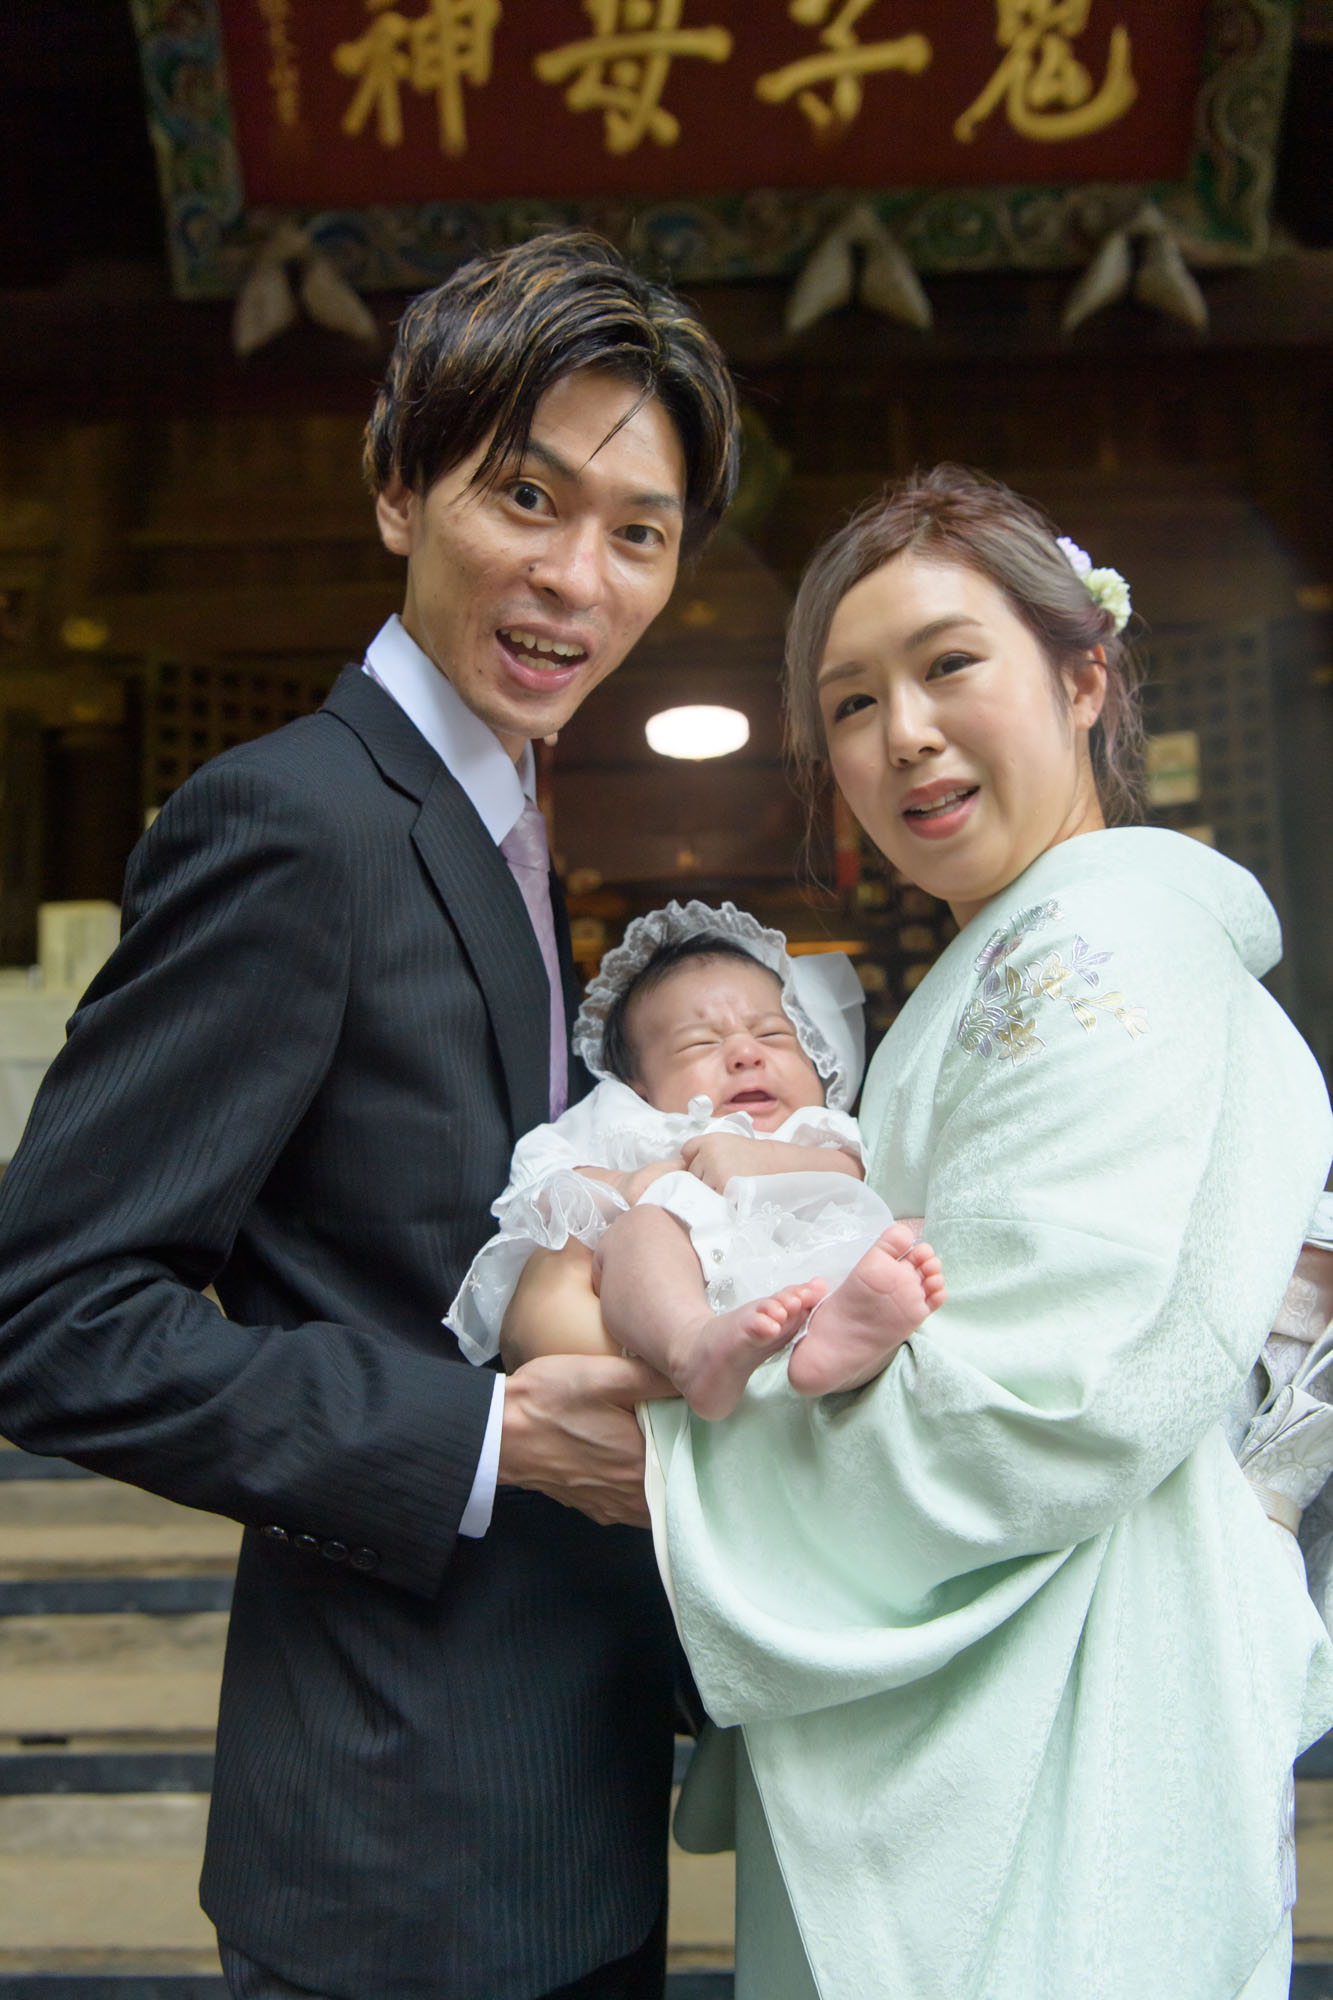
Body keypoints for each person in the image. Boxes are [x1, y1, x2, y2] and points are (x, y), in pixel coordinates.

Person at [0, 233, 740, 2000]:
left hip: (548, 1785)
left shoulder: (499, 819)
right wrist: (491, 1445)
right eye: (524, 497)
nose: (577, 578)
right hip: (402, 1841)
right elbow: (49, 1319)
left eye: (636, 532)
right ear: (398, 485)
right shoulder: (294, 824)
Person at [506, 466, 1333, 1999]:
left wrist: (682, 1476)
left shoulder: (1103, 948)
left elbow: (1054, 1390)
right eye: (854, 702)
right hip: (994, 1666)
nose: (906, 735)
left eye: (950, 665)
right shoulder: (992, 967)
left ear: (1084, 675)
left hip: (1078, 1687)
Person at [447, 901, 944, 1420]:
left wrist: (767, 1158)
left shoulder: (812, 1127)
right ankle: (693, 1348)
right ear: (637, 1084)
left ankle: (842, 1347)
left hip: (817, 1276)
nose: (745, 1053)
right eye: (699, 1043)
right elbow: (539, 1187)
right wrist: (628, 1182)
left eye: (773, 1034)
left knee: (902, 1242)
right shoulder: (626, 1123)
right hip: (685, 1296)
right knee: (642, 1229)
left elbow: (858, 1175)